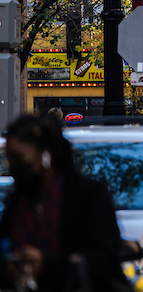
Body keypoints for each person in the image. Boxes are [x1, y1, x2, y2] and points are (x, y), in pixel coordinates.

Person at [0, 114, 133, 292]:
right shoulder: (17, 201)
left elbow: (106, 259)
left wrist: (48, 264)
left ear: (45, 156)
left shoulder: (88, 196)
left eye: (19, 159)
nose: (13, 167)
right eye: (10, 159)